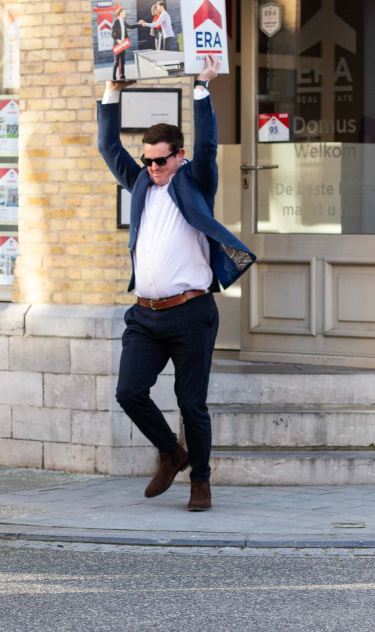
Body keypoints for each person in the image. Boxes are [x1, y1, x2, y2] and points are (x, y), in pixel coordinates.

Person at [96, 55, 255, 512]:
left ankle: (200, 480)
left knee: (191, 404)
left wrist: (201, 88)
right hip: (145, 314)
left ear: (178, 155)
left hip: (191, 313)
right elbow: (109, 149)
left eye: (161, 160)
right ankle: (171, 452)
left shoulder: (195, 180)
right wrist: (112, 91)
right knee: (129, 392)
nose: (152, 168)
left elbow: (208, 144)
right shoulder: (143, 182)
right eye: (147, 161)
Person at [111, 6, 129, 80]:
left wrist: (139, 24)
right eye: (124, 12)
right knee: (116, 62)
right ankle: (114, 77)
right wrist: (117, 40)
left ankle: (122, 76)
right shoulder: (116, 21)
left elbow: (130, 26)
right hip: (117, 44)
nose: (125, 14)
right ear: (120, 13)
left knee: (123, 61)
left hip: (123, 44)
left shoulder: (123, 22)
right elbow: (112, 34)